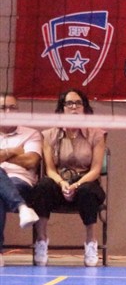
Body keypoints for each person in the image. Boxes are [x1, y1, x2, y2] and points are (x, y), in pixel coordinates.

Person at [29, 89, 108, 267]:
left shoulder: (97, 134)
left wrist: (77, 185)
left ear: (85, 108)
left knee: (88, 191)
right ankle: (41, 240)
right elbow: (49, 169)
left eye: (78, 103)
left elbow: (96, 170)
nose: (74, 107)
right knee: (42, 186)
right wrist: (63, 183)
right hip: (60, 183)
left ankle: (91, 242)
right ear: (62, 108)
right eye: (69, 103)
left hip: (85, 182)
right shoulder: (49, 135)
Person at [0, 93, 42, 266]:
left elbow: (31, 161)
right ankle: (22, 208)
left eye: (12, 108)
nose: (8, 111)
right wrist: (13, 151)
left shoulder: (31, 134)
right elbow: (23, 158)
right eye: (3, 108)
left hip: (21, 182)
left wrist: (3, 155)